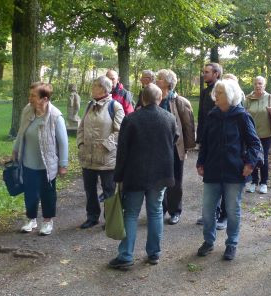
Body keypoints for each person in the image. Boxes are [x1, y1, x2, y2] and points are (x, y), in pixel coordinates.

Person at [109, 84, 177, 270]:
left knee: (130, 214)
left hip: (135, 174)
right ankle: (154, 253)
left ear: (143, 99)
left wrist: (118, 176)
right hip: (160, 175)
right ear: (159, 99)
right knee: (155, 212)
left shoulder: (131, 120)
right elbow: (174, 139)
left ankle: (126, 256)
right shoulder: (169, 119)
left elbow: (122, 150)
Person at [196, 79, 263, 261]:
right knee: (208, 210)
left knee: (232, 210)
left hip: (235, 172)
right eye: (215, 93)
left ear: (230, 95)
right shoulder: (212, 115)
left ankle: (231, 244)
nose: (215, 96)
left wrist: (250, 164)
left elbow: (254, 143)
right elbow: (205, 143)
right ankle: (208, 242)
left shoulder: (242, 116)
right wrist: (200, 162)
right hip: (212, 170)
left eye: (220, 93)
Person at [12, 82, 68, 235]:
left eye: (33, 96)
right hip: (28, 162)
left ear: (44, 99)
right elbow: (21, 132)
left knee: (47, 194)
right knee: (30, 192)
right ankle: (31, 219)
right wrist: (15, 150)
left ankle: (48, 221)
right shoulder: (27, 111)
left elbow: (63, 143)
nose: (29, 99)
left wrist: (63, 164)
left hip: (47, 164)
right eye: (30, 95)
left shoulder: (56, 116)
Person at [77, 76, 125, 229]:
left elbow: (120, 131)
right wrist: (81, 144)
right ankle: (92, 217)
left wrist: (106, 146)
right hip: (88, 157)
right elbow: (81, 127)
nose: (91, 89)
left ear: (103, 89)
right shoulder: (90, 105)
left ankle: (110, 220)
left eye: (94, 86)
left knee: (109, 190)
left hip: (107, 158)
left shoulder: (115, 106)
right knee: (89, 189)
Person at [156, 69, 196, 225]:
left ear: (167, 83)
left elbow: (188, 126)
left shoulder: (179, 101)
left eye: (159, 79)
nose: (156, 81)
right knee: (159, 180)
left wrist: (186, 147)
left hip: (174, 148)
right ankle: (161, 209)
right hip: (157, 148)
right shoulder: (154, 98)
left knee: (175, 181)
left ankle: (175, 211)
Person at [196, 62, 227, 230]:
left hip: (220, 140)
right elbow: (201, 116)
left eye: (207, 72)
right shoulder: (205, 92)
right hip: (207, 140)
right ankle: (211, 212)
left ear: (216, 74)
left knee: (222, 179)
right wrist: (200, 138)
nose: (204, 74)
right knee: (209, 178)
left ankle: (223, 215)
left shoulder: (222, 90)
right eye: (204, 72)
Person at [243, 76, 271, 194]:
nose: (258, 86)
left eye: (260, 83)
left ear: (264, 85)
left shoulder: (270, 98)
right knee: (252, 157)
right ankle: (253, 181)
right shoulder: (248, 99)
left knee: (264, 158)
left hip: (266, 133)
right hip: (251, 134)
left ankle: (264, 183)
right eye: (256, 84)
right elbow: (242, 113)